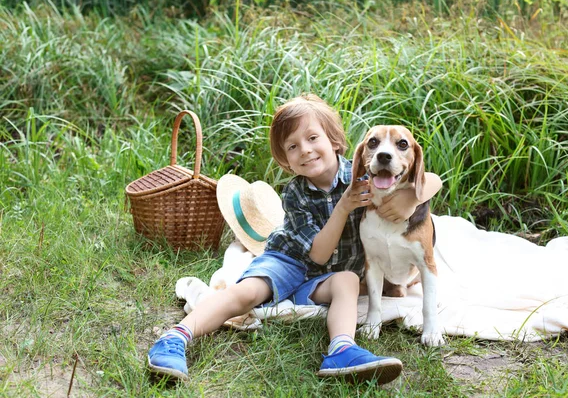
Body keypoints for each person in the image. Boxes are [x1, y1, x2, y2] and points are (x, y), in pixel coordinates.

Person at [147, 94, 443, 385]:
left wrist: (408, 199)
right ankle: (175, 338)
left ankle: (342, 350)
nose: (305, 150)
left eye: (313, 138)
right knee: (246, 293)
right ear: (286, 160)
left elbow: (430, 179)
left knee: (348, 282)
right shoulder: (296, 192)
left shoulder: (366, 176)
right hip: (289, 261)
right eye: (293, 146)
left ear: (335, 142)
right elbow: (318, 255)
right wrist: (344, 206)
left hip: (326, 279)